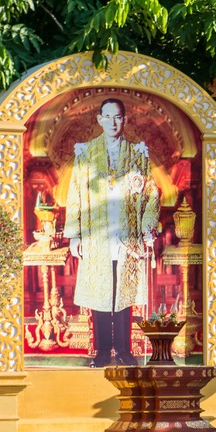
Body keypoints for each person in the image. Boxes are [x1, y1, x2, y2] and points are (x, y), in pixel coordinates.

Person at [63, 98, 160, 367]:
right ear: (99, 119)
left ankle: (125, 351)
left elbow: (151, 194)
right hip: (96, 236)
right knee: (101, 294)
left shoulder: (138, 154)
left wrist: (147, 228)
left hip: (127, 236)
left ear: (124, 120)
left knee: (124, 294)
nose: (113, 122)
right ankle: (103, 351)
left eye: (118, 117)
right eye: (108, 117)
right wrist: (74, 235)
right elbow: (75, 195)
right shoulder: (85, 154)